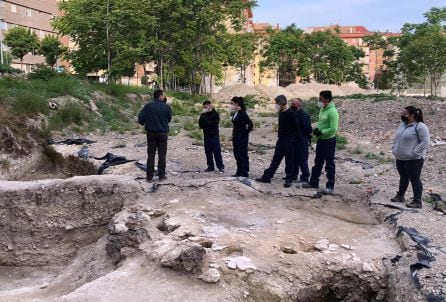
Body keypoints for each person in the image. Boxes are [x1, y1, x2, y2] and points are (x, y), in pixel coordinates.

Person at [256, 95, 300, 188]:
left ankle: (289, 179)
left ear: (281, 103)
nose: (275, 105)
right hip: (281, 140)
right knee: (276, 159)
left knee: (289, 161)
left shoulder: (290, 113)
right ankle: (267, 176)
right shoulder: (281, 112)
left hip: (289, 140)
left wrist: (292, 139)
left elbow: (296, 128)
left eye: (276, 103)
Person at [391, 106, 430, 208]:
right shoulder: (402, 124)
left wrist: (414, 153)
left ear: (412, 115)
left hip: (414, 159)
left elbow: (425, 142)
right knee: (403, 177)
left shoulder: (420, 126)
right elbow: (396, 137)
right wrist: (394, 148)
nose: (402, 115)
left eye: (405, 113)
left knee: (414, 179)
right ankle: (400, 196)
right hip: (400, 157)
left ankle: (417, 201)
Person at [302, 90, 339, 194]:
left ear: (327, 100)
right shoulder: (323, 109)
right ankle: (313, 182)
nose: (319, 101)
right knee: (318, 162)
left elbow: (333, 129)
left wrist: (321, 132)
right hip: (321, 140)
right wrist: (317, 130)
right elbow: (322, 123)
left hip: (329, 141)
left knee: (329, 164)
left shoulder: (333, 112)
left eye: (321, 99)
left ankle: (330, 186)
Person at [138, 89, 172, 181]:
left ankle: (149, 177)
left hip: (151, 133)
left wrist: (146, 123)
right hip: (163, 133)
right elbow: (169, 119)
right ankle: (161, 176)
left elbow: (141, 119)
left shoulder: (148, 106)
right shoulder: (167, 107)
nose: (164, 97)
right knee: (162, 155)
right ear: (160, 96)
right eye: (163, 95)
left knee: (151, 155)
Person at [290, 98, 312, 184]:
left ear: (299, 104)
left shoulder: (304, 115)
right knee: (293, 158)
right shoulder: (292, 114)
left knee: (302, 159)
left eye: (294, 104)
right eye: (292, 103)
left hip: (302, 140)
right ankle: (293, 175)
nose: (292, 105)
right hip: (293, 140)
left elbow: (308, 129)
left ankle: (305, 177)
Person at [198, 100, 225, 173]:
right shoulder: (203, 114)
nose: (205, 108)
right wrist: (204, 118)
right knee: (208, 152)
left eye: (206, 106)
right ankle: (210, 166)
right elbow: (200, 124)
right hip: (206, 135)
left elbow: (214, 124)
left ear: (210, 105)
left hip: (214, 135)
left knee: (217, 151)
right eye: (204, 107)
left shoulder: (215, 114)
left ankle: (220, 167)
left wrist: (206, 122)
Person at [231, 96, 253, 177]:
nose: (231, 105)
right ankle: (239, 171)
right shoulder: (235, 113)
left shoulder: (243, 113)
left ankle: (244, 172)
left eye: (232, 103)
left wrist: (245, 133)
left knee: (243, 154)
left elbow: (250, 124)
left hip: (242, 137)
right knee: (237, 154)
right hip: (236, 136)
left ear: (237, 104)